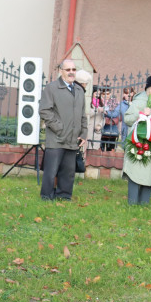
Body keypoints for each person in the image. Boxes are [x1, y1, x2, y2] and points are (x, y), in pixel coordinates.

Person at [39, 59, 89, 200]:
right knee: (51, 170)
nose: (71, 72)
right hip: (56, 138)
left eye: (73, 69)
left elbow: (82, 114)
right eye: (68, 70)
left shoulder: (79, 90)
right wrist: (59, 128)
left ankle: (64, 196)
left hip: (73, 139)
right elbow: (44, 111)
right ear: (61, 71)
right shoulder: (52, 88)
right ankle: (47, 196)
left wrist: (83, 133)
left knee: (68, 171)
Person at [122, 76, 151, 205]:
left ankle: (144, 204)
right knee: (136, 172)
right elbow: (128, 119)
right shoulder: (140, 101)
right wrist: (141, 113)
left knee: (149, 174)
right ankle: (132, 203)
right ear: (147, 90)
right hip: (140, 144)